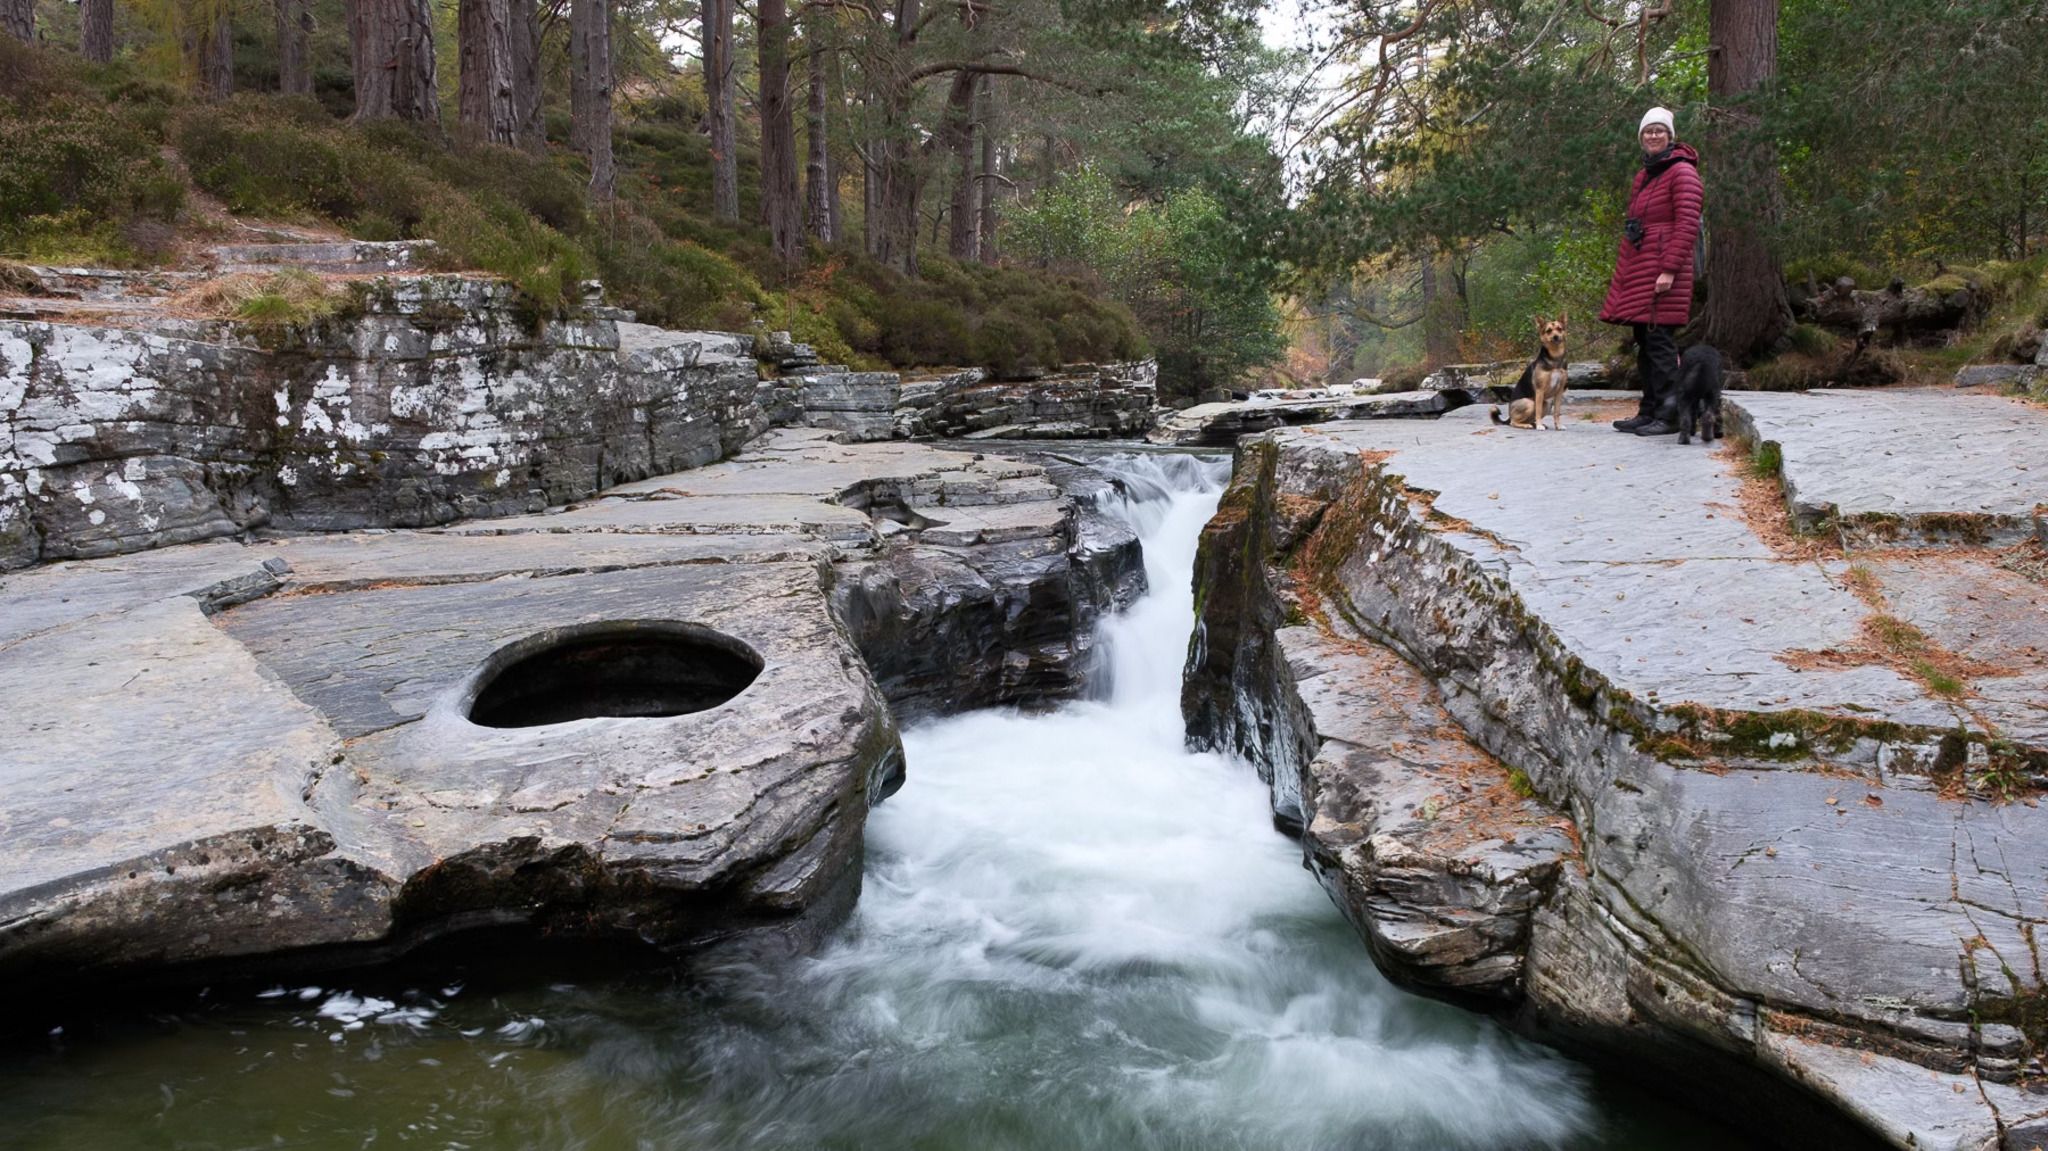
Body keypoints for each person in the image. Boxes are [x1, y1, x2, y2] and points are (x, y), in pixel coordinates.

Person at [1601, 106, 1703, 436]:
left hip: (1663, 271)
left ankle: (1672, 413)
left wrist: (1669, 270)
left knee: (1660, 344)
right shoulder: (1646, 174)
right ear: (1641, 138)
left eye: (1660, 130)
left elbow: (1687, 224)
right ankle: (1649, 410)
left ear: (1670, 136)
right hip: (1642, 268)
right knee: (1644, 342)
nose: (1653, 135)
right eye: (1648, 131)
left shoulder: (1682, 172)